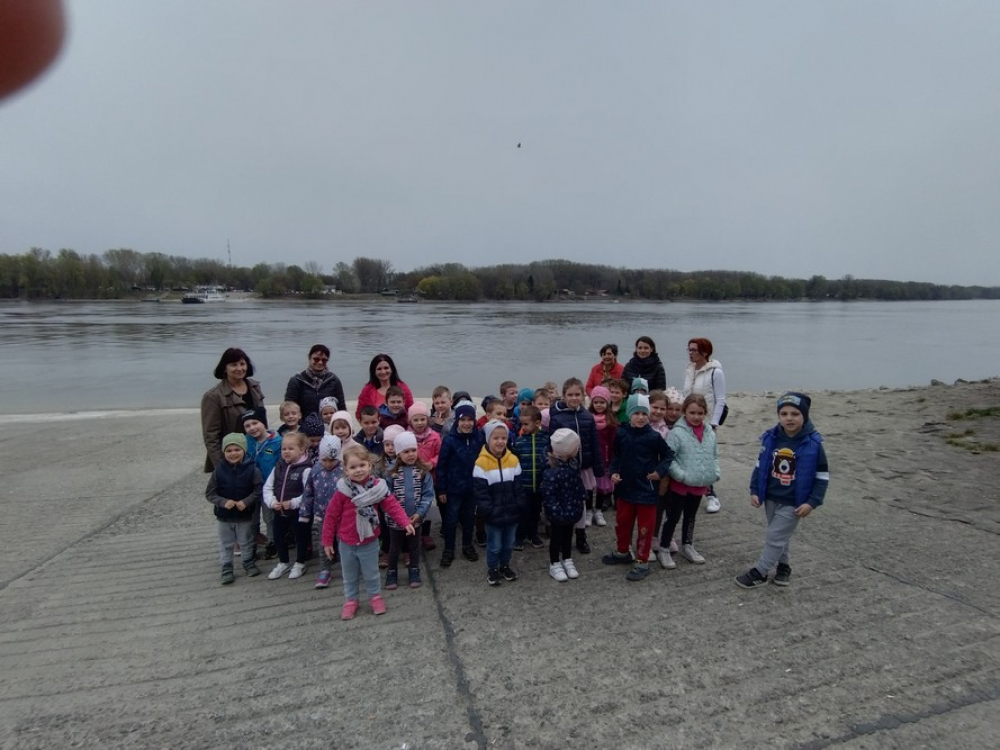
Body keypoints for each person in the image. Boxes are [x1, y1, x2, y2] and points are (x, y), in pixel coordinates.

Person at [735, 392, 829, 589]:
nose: (789, 418)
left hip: (794, 502)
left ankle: (760, 572)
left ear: (804, 416)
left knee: (774, 536)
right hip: (771, 497)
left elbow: (822, 477)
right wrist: (754, 490)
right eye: (784, 414)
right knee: (780, 536)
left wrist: (812, 502)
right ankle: (784, 566)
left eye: (795, 414)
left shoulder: (813, 444)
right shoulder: (771, 438)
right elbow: (760, 466)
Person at [322, 444, 415, 620]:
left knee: (371, 573)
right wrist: (327, 541)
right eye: (353, 467)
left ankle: (375, 597)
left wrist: (404, 522)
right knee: (349, 575)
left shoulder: (377, 488)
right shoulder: (342, 492)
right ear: (345, 470)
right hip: (346, 542)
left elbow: (391, 505)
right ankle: (351, 600)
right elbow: (331, 516)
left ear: (370, 466)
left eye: (362, 465)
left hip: (369, 540)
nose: (358, 470)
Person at [603, 394, 674, 582]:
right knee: (623, 523)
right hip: (625, 489)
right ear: (629, 414)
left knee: (645, 528)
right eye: (637, 413)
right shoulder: (621, 433)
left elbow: (668, 456)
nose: (641, 417)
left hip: (646, 491)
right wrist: (614, 472)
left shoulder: (654, 437)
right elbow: (616, 455)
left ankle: (642, 561)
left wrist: (659, 472)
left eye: (644, 413)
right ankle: (622, 551)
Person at [658, 394, 720, 570]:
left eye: (700, 413)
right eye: (692, 413)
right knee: (673, 517)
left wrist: (715, 473)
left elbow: (714, 455)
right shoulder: (676, 433)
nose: (696, 417)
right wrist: (682, 476)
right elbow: (669, 458)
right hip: (680, 485)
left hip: (699, 484)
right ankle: (664, 548)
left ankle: (688, 545)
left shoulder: (709, 433)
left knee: (691, 517)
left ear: (705, 413)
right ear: (684, 411)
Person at [548, 377, 604, 555]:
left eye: (577, 394)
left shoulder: (587, 416)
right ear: (564, 396)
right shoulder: (557, 417)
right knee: (567, 502)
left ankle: (581, 535)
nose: (574, 398)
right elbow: (552, 443)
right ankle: (563, 536)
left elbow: (594, 443)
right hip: (566, 468)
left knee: (582, 502)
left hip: (584, 467)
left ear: (583, 396)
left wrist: (598, 467)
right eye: (570, 395)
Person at [205, 433, 262, 584]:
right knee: (226, 543)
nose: (233, 453)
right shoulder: (219, 470)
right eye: (229, 450)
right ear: (224, 452)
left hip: (244, 515)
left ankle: (248, 562)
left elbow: (258, 490)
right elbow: (210, 493)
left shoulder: (252, 469)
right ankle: (227, 567)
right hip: (223, 516)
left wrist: (247, 501)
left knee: (246, 541)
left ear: (244, 450)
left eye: (237, 449)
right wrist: (223, 502)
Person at [473, 420, 525, 586]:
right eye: (496, 438)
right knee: (494, 545)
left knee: (509, 544)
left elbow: (519, 487)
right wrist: (488, 510)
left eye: (503, 438)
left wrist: (519, 505)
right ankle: (493, 569)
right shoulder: (481, 463)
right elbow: (480, 493)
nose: (500, 441)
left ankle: (505, 565)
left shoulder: (513, 460)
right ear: (488, 439)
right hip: (493, 515)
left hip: (512, 513)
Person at [384, 432, 435, 590]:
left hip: (415, 519)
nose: (411, 454)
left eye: (413, 450)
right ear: (398, 453)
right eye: (406, 451)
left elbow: (428, 495)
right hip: (396, 520)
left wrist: (419, 513)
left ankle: (414, 570)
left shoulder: (422, 472)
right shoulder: (391, 473)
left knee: (414, 546)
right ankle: (392, 572)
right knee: (394, 547)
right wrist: (396, 515)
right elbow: (386, 496)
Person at [201, 347, 265, 471]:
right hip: (232, 455)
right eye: (233, 365)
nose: (239, 368)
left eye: (242, 364)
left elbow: (262, 421)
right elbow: (211, 436)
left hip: (257, 450)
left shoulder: (255, 387)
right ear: (224, 368)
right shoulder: (214, 396)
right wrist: (222, 466)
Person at [436, 402, 483, 568]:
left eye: (470, 420)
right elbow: (441, 466)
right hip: (453, 489)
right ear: (457, 421)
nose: (467, 423)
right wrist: (441, 489)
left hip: (472, 488)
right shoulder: (449, 440)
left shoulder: (479, 438)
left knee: (469, 519)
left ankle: (467, 546)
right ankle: (449, 549)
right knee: (451, 520)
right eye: (463, 420)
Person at [683, 337, 727, 513]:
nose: (690, 353)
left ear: (705, 352)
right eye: (689, 349)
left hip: (706, 421)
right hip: (688, 419)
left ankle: (711, 495)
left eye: (694, 350)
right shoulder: (689, 369)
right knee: (688, 455)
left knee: (705, 458)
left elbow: (720, 399)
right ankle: (689, 490)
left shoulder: (715, 372)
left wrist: (714, 423)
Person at [263, 432, 312, 581]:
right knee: (278, 537)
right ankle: (283, 562)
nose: (286, 452)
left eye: (291, 448)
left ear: (301, 449)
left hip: (298, 512)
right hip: (279, 511)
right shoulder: (279, 466)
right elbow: (267, 487)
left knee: (301, 537)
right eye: (284, 448)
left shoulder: (306, 469)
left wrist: (293, 503)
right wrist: (272, 502)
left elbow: (309, 493)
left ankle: (300, 563)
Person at [541, 429, 587, 582]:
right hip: (558, 512)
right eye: (576, 446)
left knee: (568, 535)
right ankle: (554, 563)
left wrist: (582, 496)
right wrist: (555, 512)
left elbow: (578, 483)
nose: (578, 448)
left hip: (572, 507)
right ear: (567, 450)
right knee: (556, 538)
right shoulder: (551, 471)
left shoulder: (573, 464)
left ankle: (567, 558)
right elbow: (549, 495)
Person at [300, 434, 343, 589]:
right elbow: (308, 492)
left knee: (343, 542)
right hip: (321, 514)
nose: (328, 464)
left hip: (342, 516)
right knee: (324, 542)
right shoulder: (316, 470)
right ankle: (325, 569)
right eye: (324, 460)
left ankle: (347, 567)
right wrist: (305, 513)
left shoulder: (344, 470)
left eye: (332, 460)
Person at [241, 406, 282, 559]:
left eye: (255, 423)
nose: (252, 428)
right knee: (251, 519)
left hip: (268, 487)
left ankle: (272, 543)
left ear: (263, 423)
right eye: (247, 426)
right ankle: (251, 545)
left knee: (269, 517)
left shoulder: (276, 442)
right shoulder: (246, 442)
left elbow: (280, 463)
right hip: (250, 488)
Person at [407, 401, 442, 551]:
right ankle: (412, 529)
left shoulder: (435, 436)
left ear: (428, 419)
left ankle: (426, 534)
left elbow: (440, 454)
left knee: (427, 504)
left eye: (423, 419)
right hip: (412, 477)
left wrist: (431, 463)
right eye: (416, 419)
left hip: (430, 477)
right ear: (410, 421)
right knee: (412, 504)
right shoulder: (407, 436)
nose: (420, 422)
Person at [514, 405, 549, 550]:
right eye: (521, 424)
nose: (523, 427)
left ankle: (533, 535)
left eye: (526, 424)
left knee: (535, 512)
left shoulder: (546, 440)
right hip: (524, 486)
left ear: (537, 423)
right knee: (523, 512)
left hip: (540, 486)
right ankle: (519, 537)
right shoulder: (519, 442)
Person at [283, 344, 346, 419]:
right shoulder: (296, 381)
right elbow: (289, 408)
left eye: (324, 360)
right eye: (316, 359)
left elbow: (341, 407)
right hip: (304, 424)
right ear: (309, 358)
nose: (320, 362)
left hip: (328, 423)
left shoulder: (334, 380)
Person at [588, 385, 617, 527]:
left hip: (604, 459)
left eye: (602, 402)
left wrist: (611, 459)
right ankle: (588, 510)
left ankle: (598, 510)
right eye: (596, 402)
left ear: (607, 403)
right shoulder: (587, 418)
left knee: (601, 487)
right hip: (590, 458)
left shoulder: (611, 420)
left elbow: (614, 442)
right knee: (588, 487)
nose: (599, 405)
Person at [355, 353, 414, 420]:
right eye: (379, 369)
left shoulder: (403, 388)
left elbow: (411, 411)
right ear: (374, 372)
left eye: (386, 368)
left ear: (392, 369)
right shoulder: (367, 390)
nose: (383, 372)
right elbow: (359, 414)